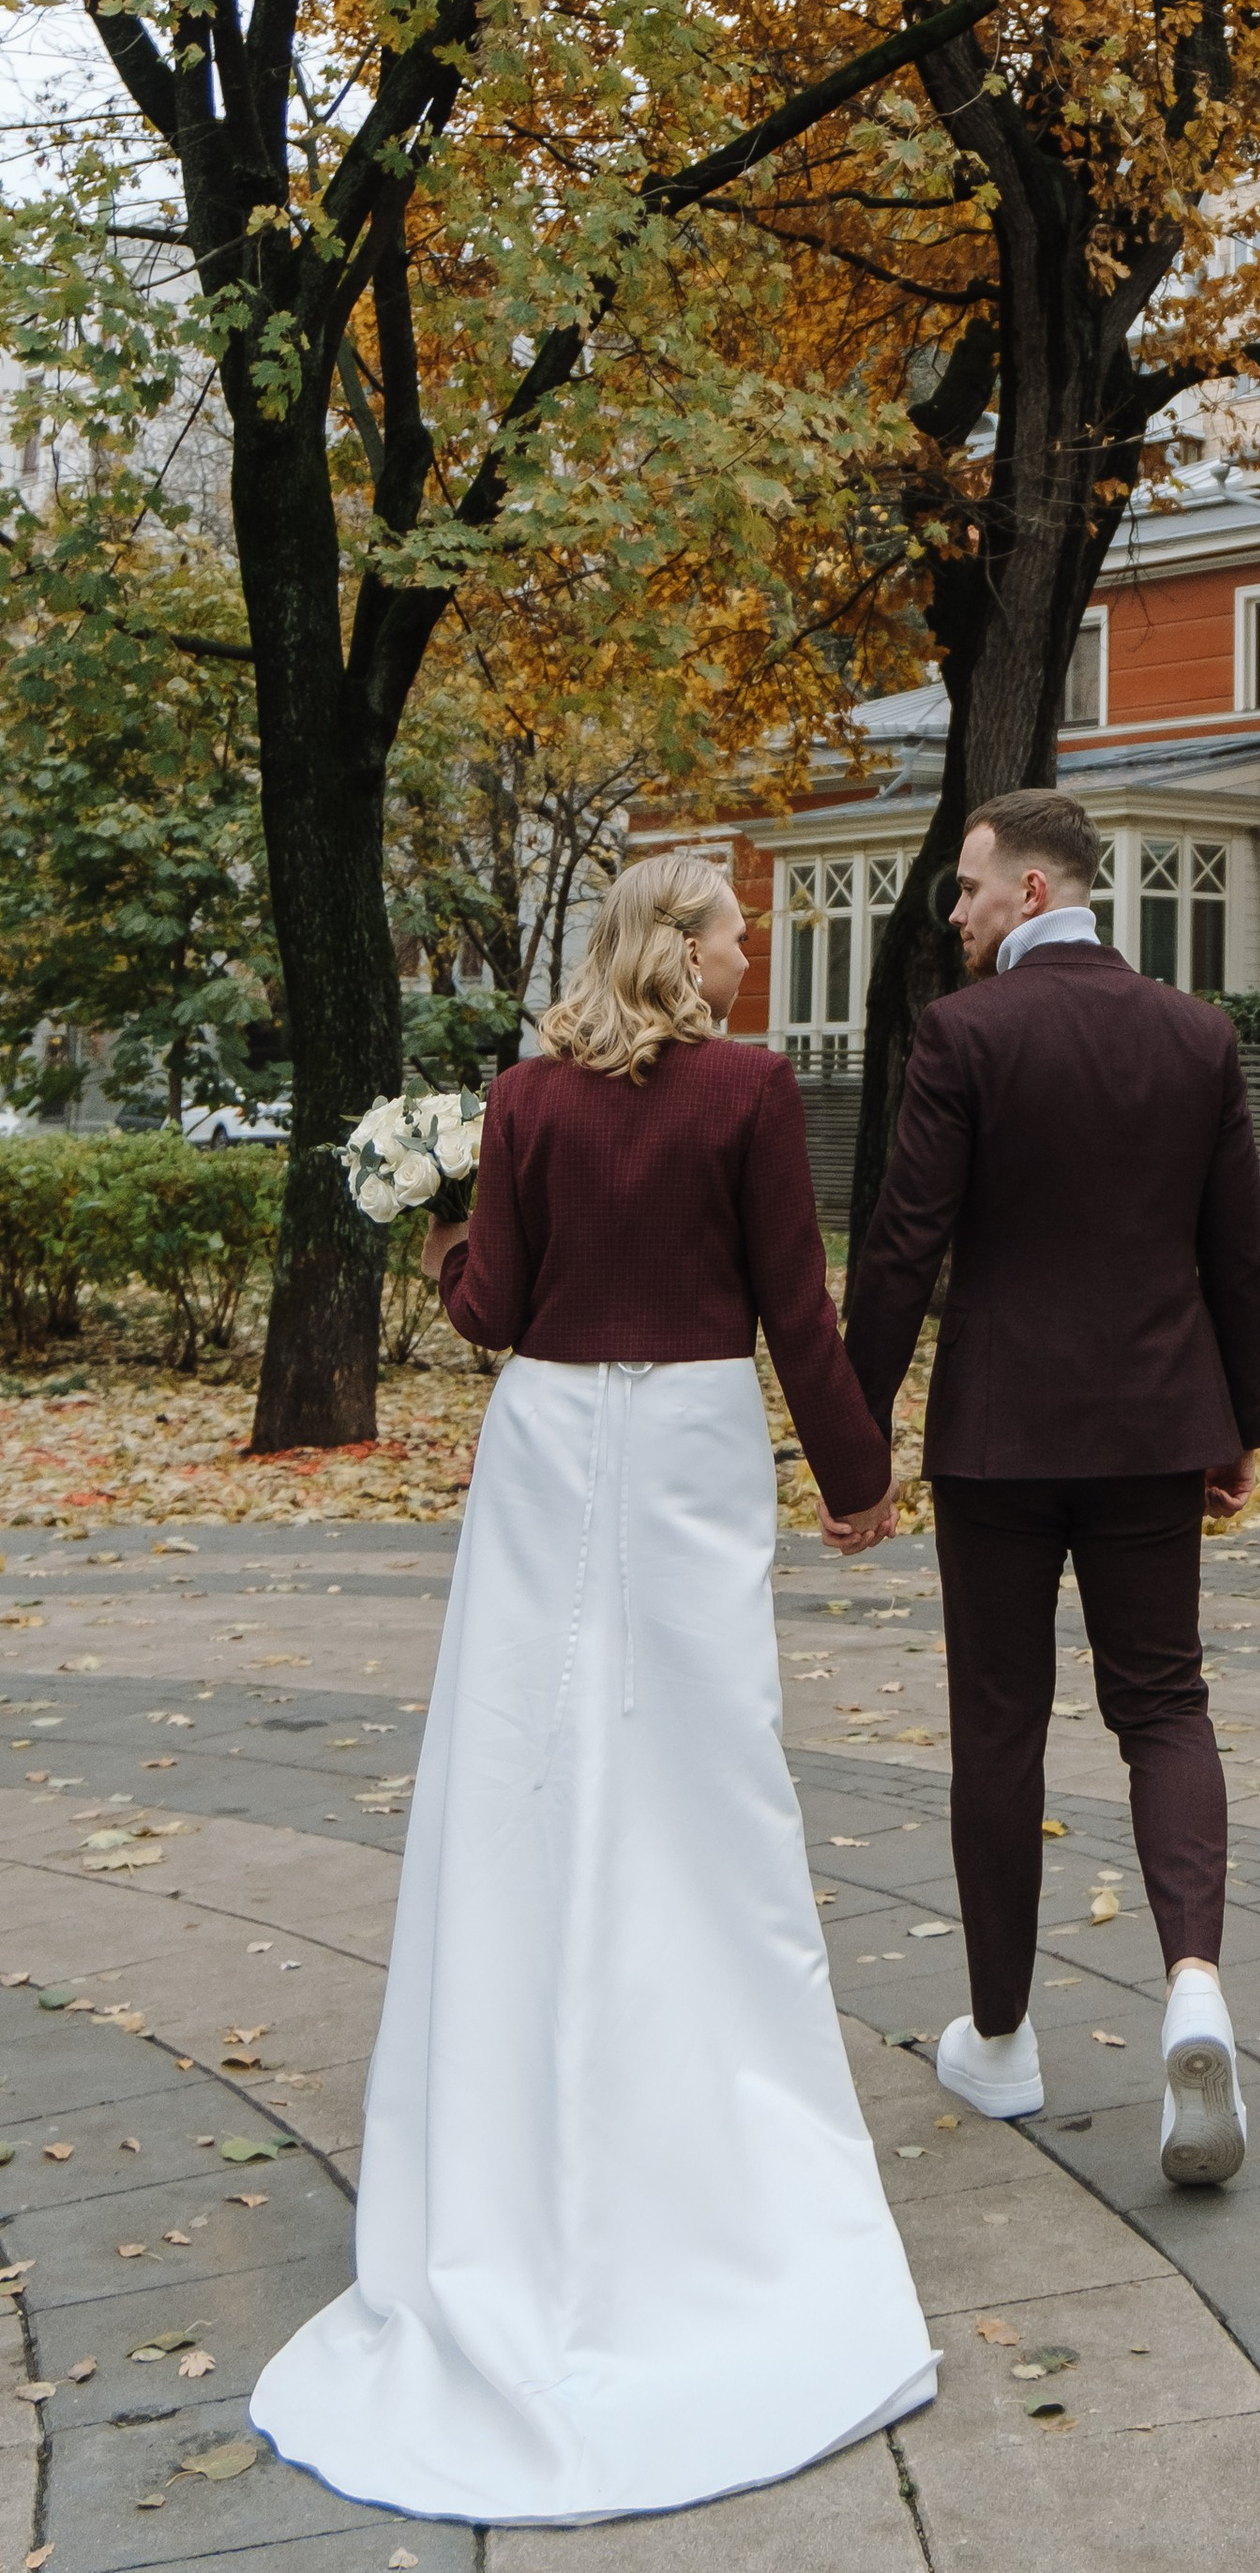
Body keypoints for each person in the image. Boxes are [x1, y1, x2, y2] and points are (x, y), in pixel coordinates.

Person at [252, 851, 936, 2526]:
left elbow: (492, 1310)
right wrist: (858, 1470)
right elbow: (796, 1302)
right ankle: (707, 2083)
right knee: (710, 1769)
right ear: (676, 951)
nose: (750, 947)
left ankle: (526, 2038)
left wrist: (438, 1241)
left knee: (532, 1753)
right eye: (730, 928)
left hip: (551, 1440)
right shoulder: (751, 1090)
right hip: (694, 1444)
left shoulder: (527, 1099)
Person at [845, 785, 1260, 2188]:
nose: (952, 912)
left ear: (1033, 892)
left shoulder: (965, 1036)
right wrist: (1239, 1421)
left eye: (967, 888)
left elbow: (905, 1247)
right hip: (1157, 1425)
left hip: (999, 1439)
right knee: (1164, 1702)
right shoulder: (1196, 1033)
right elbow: (1237, 1252)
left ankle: (1006, 2036)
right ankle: (1194, 1980)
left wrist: (855, 1436)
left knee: (1000, 1722)